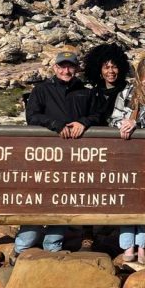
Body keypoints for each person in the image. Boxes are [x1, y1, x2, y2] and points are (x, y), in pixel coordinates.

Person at [16, 50, 106, 256]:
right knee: (37, 198)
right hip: (44, 155)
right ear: (55, 68)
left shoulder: (86, 91)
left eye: (71, 66)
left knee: (63, 199)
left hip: (74, 158)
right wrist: (55, 125)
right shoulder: (41, 90)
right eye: (62, 66)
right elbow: (32, 116)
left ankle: (53, 247)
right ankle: (23, 248)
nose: (66, 70)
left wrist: (84, 122)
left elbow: (99, 115)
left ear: (76, 68)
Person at [108, 56, 145, 263]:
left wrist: (137, 123)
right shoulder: (126, 93)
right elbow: (113, 119)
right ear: (139, 77)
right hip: (130, 155)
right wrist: (123, 123)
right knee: (130, 199)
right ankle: (127, 245)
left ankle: (143, 245)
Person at [83, 43, 128, 117]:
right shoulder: (93, 93)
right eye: (106, 67)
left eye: (114, 67)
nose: (111, 71)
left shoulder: (127, 92)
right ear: (99, 70)